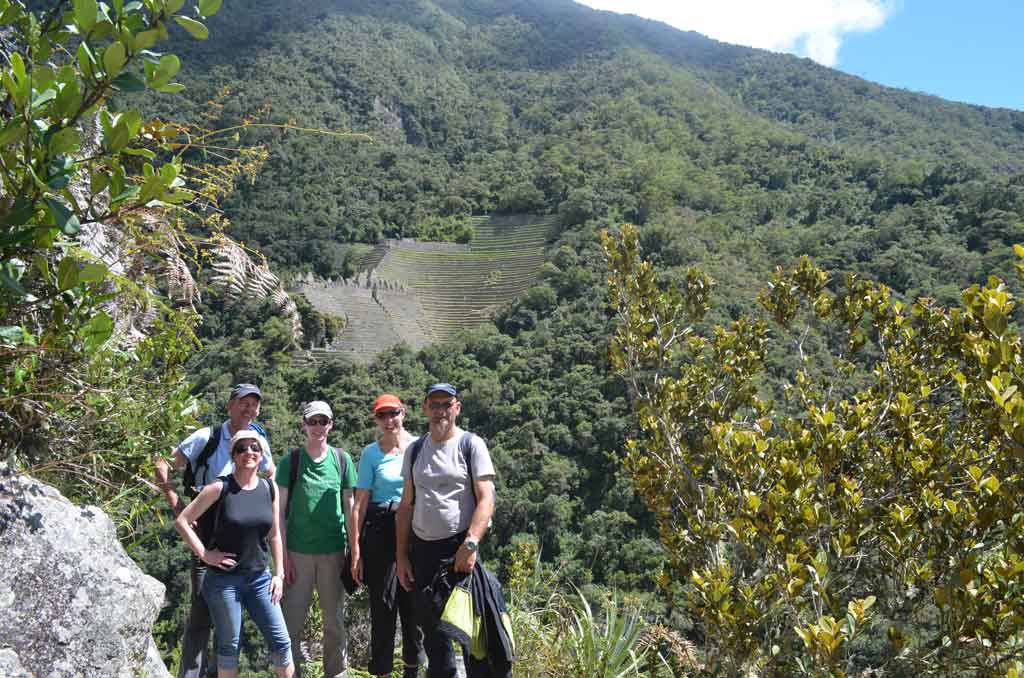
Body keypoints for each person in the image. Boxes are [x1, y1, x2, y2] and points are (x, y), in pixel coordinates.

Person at [155, 383, 276, 678]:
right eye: (243, 403)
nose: (249, 410)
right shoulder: (207, 437)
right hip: (208, 533)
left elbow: (269, 473)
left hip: (244, 542)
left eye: (254, 405)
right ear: (230, 406)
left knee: (229, 621)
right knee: (201, 615)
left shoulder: (257, 439)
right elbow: (162, 464)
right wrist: (178, 505)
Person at [395, 383, 497, 678]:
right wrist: (402, 556)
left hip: (461, 551)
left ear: (457, 408)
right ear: (425, 408)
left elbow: (487, 498)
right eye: (435, 404)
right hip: (423, 554)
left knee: (473, 635)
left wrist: (471, 544)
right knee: (435, 636)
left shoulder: (471, 445)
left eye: (446, 404)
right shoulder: (414, 451)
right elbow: (405, 507)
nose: (440, 411)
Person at [174, 429, 293, 678]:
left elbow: (274, 535)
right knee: (229, 647)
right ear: (233, 454)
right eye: (241, 448)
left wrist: (279, 574)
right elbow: (183, 521)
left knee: (282, 643)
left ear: (261, 455)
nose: (248, 453)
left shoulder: (268, 487)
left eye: (254, 448)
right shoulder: (219, 488)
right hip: (224, 581)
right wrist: (205, 555)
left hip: (261, 578)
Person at [276, 400, 357, 678]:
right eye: (313, 421)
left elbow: (350, 508)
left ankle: (336, 673)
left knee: (334, 622)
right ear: (304, 425)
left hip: (334, 551)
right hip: (297, 553)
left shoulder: (342, 461)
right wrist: (282, 556)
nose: (318, 427)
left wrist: (354, 550)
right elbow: (278, 512)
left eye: (323, 421)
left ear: (331, 425)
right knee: (291, 622)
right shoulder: (292, 461)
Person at [350, 394, 425, 678]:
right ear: (376, 420)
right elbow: (359, 504)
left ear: (403, 413)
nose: (389, 420)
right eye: (383, 416)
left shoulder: (419, 447)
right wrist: (355, 550)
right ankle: (381, 671)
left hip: (415, 529)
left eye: (393, 413)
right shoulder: (371, 453)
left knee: (412, 606)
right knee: (383, 606)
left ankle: (412, 669)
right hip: (381, 531)